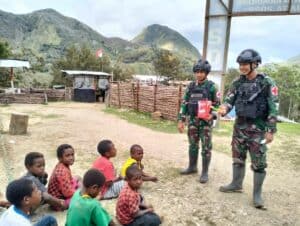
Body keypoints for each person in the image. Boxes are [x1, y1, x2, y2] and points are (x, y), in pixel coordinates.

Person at [218, 49, 278, 209]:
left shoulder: (267, 82)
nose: (242, 67)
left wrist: (270, 129)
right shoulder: (237, 82)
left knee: (259, 162)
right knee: (238, 157)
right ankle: (236, 184)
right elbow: (229, 99)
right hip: (240, 127)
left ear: (254, 64)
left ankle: (257, 194)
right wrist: (224, 107)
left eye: (245, 64)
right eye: (240, 64)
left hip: (258, 129)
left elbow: (274, 106)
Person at [177, 59, 220, 183]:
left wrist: (212, 116)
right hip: (192, 122)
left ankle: (205, 172)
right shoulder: (191, 86)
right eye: (197, 72)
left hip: (205, 123)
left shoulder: (212, 87)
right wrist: (181, 120)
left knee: (206, 147)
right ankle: (192, 167)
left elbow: (217, 105)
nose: (199, 74)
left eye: (202, 72)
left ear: (206, 73)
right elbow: (184, 103)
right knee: (193, 145)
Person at [48, 144, 81, 210]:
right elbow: (67, 193)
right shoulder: (62, 171)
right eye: (67, 156)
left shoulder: (63, 165)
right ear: (60, 158)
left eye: (72, 154)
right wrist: (80, 191)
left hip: (63, 193)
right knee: (82, 196)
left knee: (78, 178)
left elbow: (69, 182)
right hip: (59, 202)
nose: (71, 157)